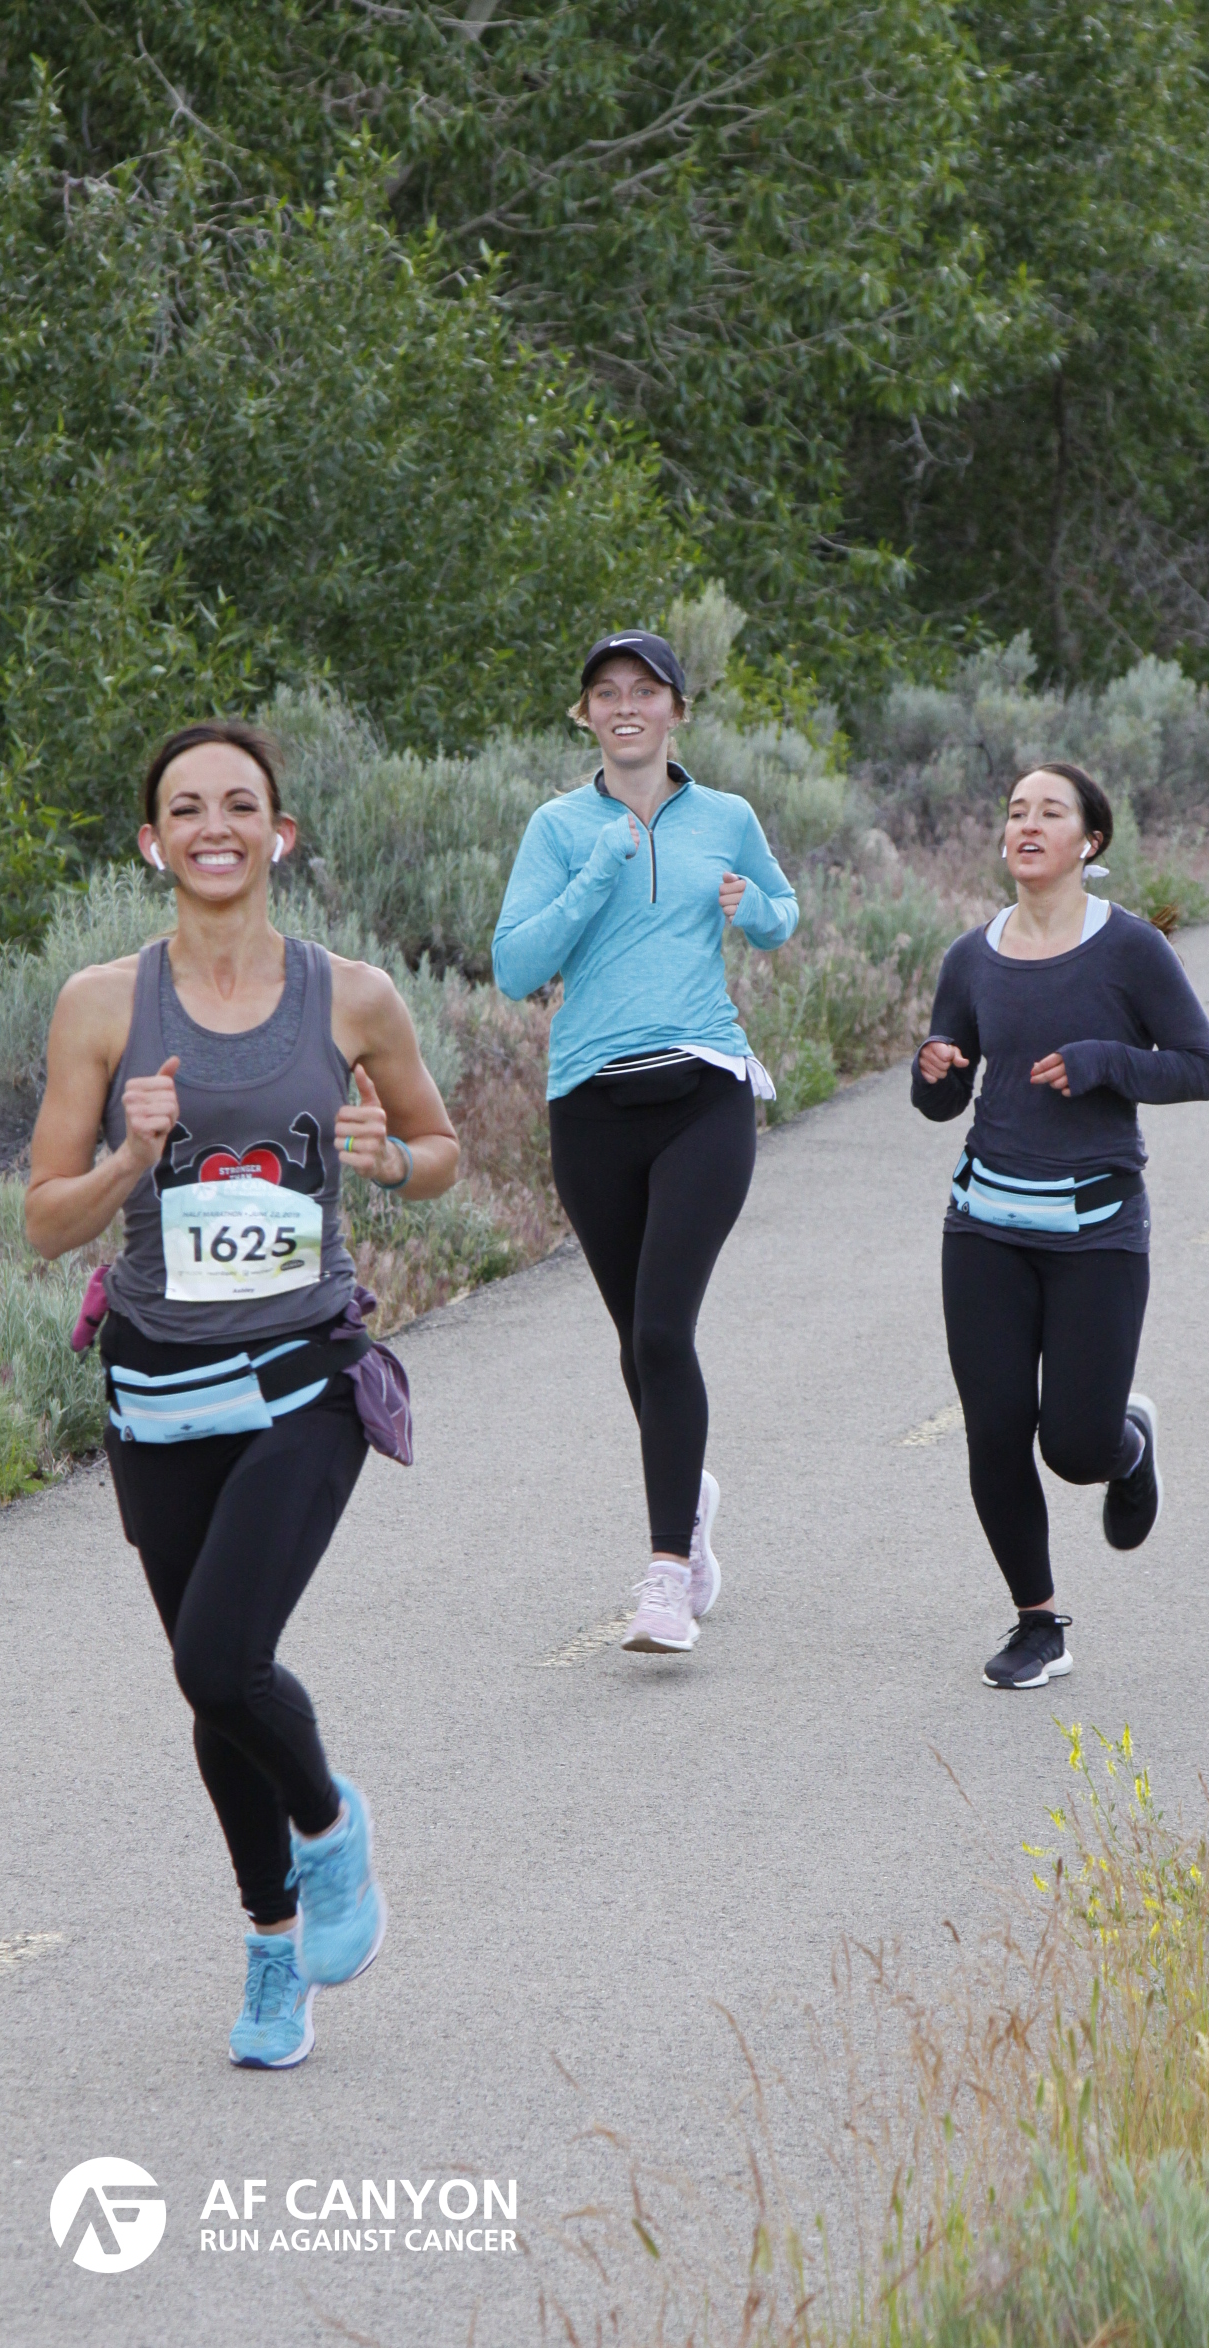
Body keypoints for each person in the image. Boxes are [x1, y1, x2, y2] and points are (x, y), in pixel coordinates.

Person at [25, 719, 459, 2069]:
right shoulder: (102, 1005)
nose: (214, 827)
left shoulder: (352, 997)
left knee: (219, 1656)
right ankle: (274, 1948)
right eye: (186, 809)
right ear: (152, 843)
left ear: (280, 833)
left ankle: (330, 1826)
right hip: (158, 1389)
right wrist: (128, 1160)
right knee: (214, 1685)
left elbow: (439, 1149)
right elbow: (44, 1220)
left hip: (302, 1374)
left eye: (239, 804)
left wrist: (392, 1165)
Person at [493, 630, 797, 1655]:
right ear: (584, 714)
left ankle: (667, 1577)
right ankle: (689, 1497)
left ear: (677, 709)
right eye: (605, 693)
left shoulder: (727, 817)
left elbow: (781, 914)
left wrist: (754, 910)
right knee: (637, 1343)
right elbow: (513, 967)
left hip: (703, 1090)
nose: (625, 706)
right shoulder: (556, 827)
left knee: (663, 1331)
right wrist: (593, 874)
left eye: (645, 690)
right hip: (589, 1106)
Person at [913, 763, 1209, 1689]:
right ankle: (1038, 1623)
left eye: (1050, 812)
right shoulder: (971, 956)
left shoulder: (1130, 950)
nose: (1028, 825)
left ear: (1090, 841)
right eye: (1016, 812)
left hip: (1097, 1230)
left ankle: (1127, 1445)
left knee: (1074, 1448)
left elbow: (1199, 1067)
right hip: (984, 1227)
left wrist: (1103, 1062)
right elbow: (946, 1098)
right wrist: (934, 1074)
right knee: (995, 1430)